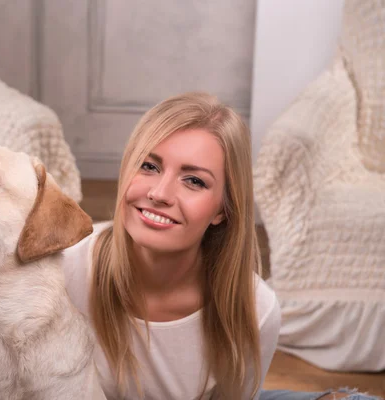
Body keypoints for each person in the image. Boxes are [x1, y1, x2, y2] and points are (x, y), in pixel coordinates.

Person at [62, 92, 381, 400]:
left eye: (194, 181)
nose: (160, 193)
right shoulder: (62, 271)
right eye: (149, 166)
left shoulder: (254, 309)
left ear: (222, 210)